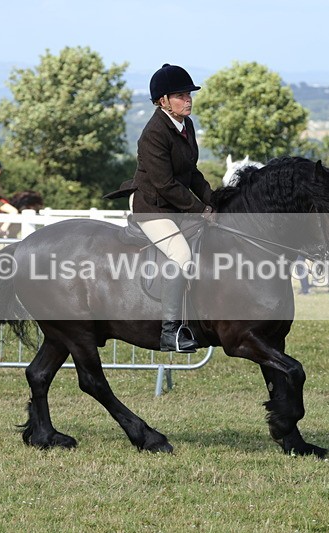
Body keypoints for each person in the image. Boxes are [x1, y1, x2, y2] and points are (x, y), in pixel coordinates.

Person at [105, 64, 214, 353]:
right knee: (180, 253)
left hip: (174, 204)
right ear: (163, 101)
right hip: (151, 206)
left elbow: (192, 173)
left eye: (189, 94)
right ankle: (170, 331)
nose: (188, 99)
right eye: (180, 95)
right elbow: (165, 184)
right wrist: (200, 208)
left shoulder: (185, 125)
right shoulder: (153, 133)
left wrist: (214, 201)